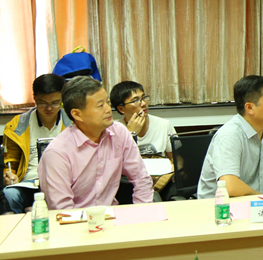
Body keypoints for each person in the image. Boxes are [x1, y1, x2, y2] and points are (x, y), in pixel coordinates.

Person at [38, 76, 154, 209]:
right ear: (77, 114)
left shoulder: (119, 133)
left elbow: (141, 179)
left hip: (112, 216)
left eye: (107, 102)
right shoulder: (57, 153)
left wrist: (142, 213)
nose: (108, 109)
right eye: (100, 106)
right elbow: (62, 209)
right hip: (77, 219)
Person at [197, 75, 263, 199]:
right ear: (250, 108)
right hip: (220, 207)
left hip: (256, 205)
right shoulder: (229, 135)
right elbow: (230, 186)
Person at [2, 74, 71, 213]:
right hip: (29, 183)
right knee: (10, 194)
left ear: (62, 99)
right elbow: (11, 162)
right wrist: (9, 174)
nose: (49, 108)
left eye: (55, 102)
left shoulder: (73, 123)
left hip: (63, 180)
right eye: (43, 103)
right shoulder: (18, 125)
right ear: (34, 98)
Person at [110, 81, 176, 160]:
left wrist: (174, 165)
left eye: (143, 98)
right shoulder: (114, 131)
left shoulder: (164, 124)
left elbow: (176, 158)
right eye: (135, 101)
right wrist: (130, 133)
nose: (144, 103)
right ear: (121, 109)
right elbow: (115, 162)